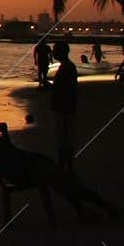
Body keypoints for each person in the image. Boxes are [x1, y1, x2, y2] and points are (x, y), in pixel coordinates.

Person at [0, 111, 120, 224]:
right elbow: (13, 153)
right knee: (62, 181)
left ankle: (90, 208)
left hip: (21, 171)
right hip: (22, 174)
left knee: (62, 181)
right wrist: (5, 135)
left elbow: (12, 155)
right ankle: (100, 206)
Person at [51, 41, 78, 172]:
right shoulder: (67, 66)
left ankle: (64, 167)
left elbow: (67, 88)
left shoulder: (67, 67)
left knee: (63, 138)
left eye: (55, 50)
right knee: (64, 138)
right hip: (65, 106)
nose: (53, 52)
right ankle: (66, 166)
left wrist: (53, 88)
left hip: (64, 107)